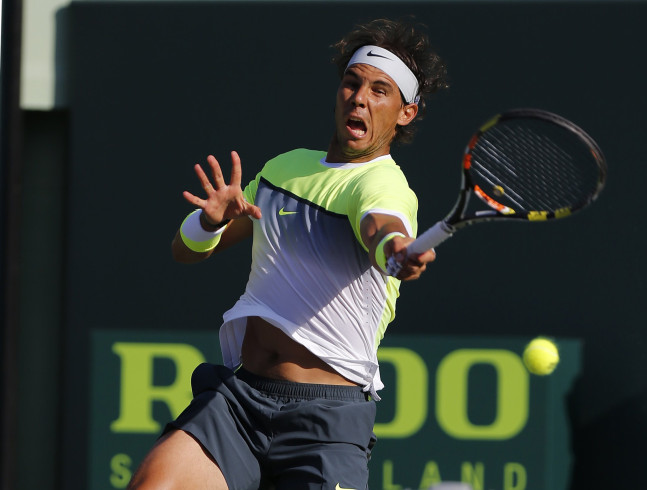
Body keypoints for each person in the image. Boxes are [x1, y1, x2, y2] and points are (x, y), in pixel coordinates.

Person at [128, 18, 448, 490]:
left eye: (380, 91)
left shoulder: (382, 184)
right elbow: (185, 252)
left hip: (326, 422)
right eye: (352, 83)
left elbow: (382, 228)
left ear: (406, 113)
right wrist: (209, 222)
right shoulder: (285, 169)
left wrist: (394, 251)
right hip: (240, 400)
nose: (359, 98)